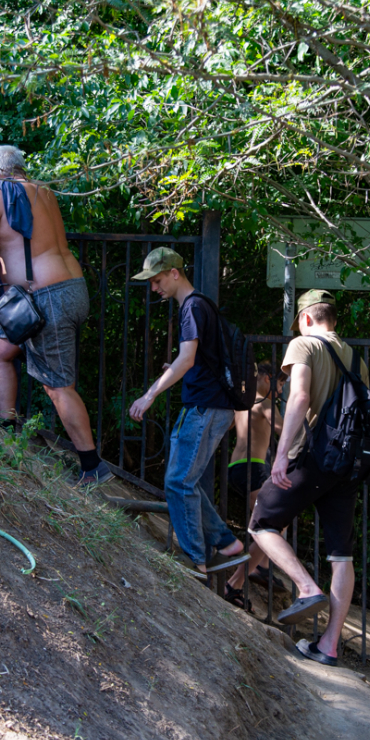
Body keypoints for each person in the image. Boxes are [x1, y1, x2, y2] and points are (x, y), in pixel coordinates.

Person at [0, 145, 110, 485]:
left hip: (44, 299)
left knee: (58, 386)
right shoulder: (44, 192)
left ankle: (93, 468)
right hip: (68, 291)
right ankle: (7, 431)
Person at [248, 290, 368, 666]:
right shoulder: (355, 357)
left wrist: (281, 455)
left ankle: (305, 586)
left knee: (262, 523)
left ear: (305, 319)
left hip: (313, 456)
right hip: (347, 465)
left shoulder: (304, 345)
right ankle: (328, 646)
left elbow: (298, 397)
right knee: (341, 554)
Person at [127, 247, 249, 579]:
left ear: (175, 273)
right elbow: (197, 361)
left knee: (178, 482)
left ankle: (194, 560)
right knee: (186, 481)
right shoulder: (201, 306)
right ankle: (226, 543)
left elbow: (187, 359)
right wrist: (181, 369)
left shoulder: (192, 307)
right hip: (209, 404)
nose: (154, 288)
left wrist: (149, 395)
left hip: (206, 407)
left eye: (157, 280)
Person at [223, 361, 285, 609]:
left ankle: (263, 566)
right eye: (281, 384)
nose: (281, 391)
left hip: (236, 468)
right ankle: (235, 583)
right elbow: (284, 429)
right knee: (272, 526)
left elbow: (227, 425)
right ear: (268, 379)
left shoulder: (243, 402)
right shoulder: (266, 403)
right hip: (254, 468)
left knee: (271, 523)